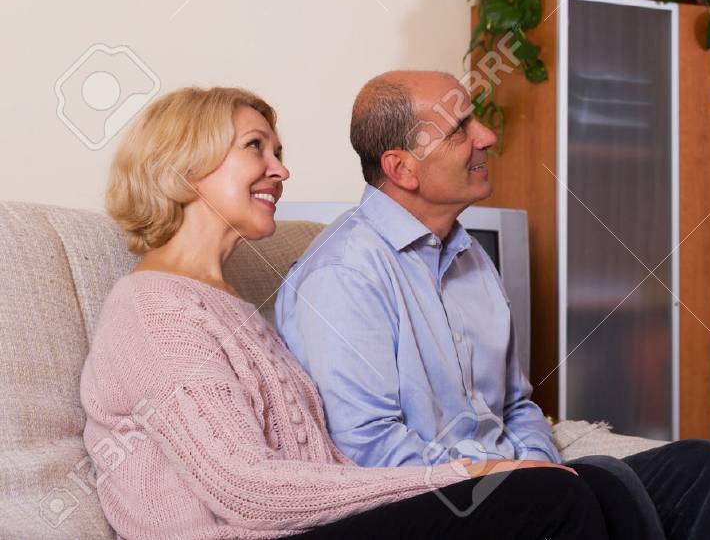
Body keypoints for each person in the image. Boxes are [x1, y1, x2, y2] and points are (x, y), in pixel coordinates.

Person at [82, 85, 606, 540]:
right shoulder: (156, 311)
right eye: (255, 147)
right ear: (185, 167)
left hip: (315, 529)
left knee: (601, 489)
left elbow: (320, 466)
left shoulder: (228, 304)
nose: (281, 169)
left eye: (278, 150)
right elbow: (247, 491)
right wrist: (462, 473)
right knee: (544, 498)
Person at [275, 70, 710, 540]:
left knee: (704, 468)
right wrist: (507, 474)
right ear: (401, 168)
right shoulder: (343, 274)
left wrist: (537, 465)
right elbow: (367, 447)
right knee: (612, 490)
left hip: (518, 482)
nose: (486, 137)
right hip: (437, 500)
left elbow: (516, 404)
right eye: (460, 128)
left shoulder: (472, 258)